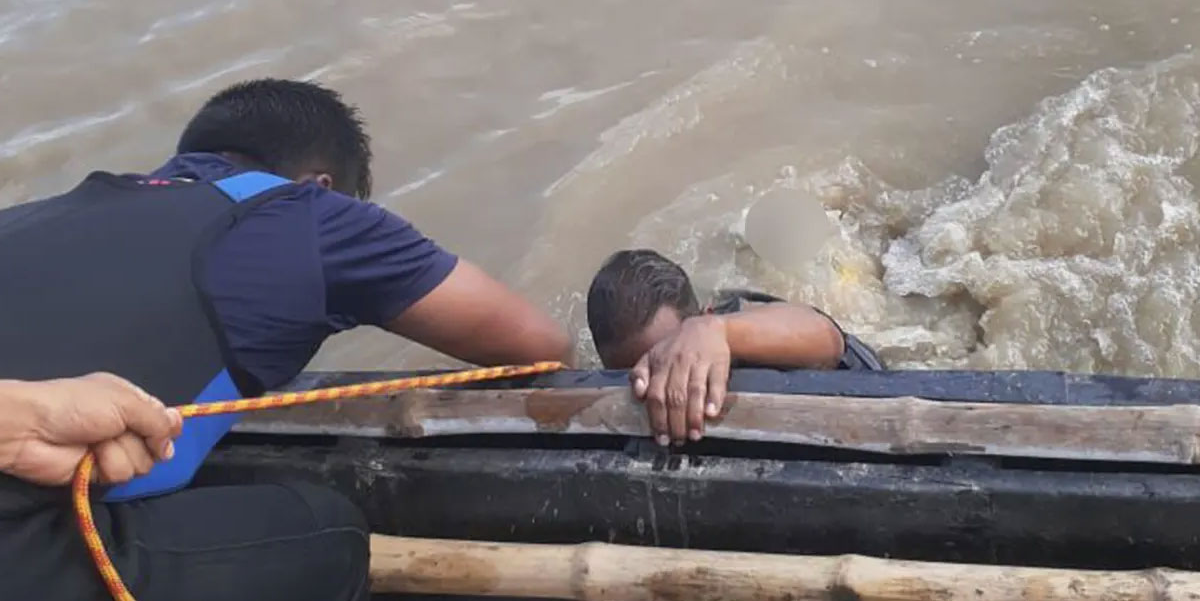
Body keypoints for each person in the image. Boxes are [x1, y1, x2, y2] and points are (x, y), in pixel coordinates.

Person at [0, 79, 571, 601]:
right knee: (331, 531)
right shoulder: (306, 213)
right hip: (22, 546)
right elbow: (539, 344)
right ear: (324, 186)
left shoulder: (27, 219)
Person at [586, 248, 884, 447]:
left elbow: (829, 339)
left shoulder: (724, 333)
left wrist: (717, 331)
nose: (657, 386)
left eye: (671, 357)